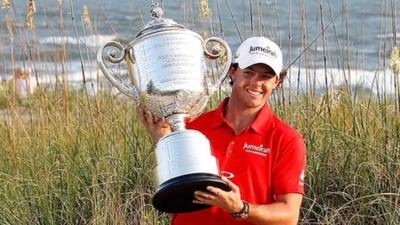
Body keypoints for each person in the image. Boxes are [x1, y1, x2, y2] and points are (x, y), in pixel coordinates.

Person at [138, 36, 307, 225]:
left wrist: (240, 208)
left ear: (277, 81)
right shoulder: (193, 127)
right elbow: (174, 203)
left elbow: (289, 216)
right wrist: (163, 142)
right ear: (233, 72)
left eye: (265, 76)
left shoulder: (286, 140)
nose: (256, 83)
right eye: (249, 72)